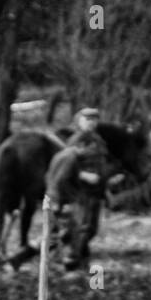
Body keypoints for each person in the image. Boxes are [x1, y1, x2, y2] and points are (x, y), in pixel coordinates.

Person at [45, 115, 109, 271]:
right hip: (76, 195)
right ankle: (67, 261)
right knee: (74, 230)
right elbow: (62, 178)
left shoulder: (97, 140)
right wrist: (69, 200)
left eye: (94, 119)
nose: (92, 123)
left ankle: (77, 261)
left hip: (90, 193)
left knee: (82, 229)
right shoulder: (71, 153)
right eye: (88, 119)